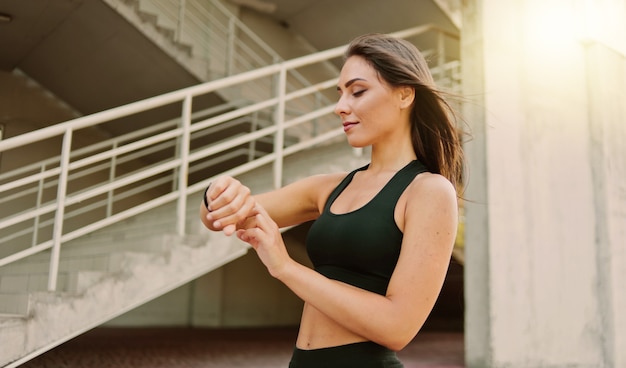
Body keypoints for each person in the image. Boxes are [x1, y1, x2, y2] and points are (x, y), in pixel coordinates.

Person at [199, 33, 464, 368]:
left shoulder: (429, 191)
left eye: (358, 91)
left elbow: (398, 328)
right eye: (340, 94)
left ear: (404, 94)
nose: (341, 106)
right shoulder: (329, 188)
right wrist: (217, 192)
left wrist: (286, 268)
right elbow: (224, 217)